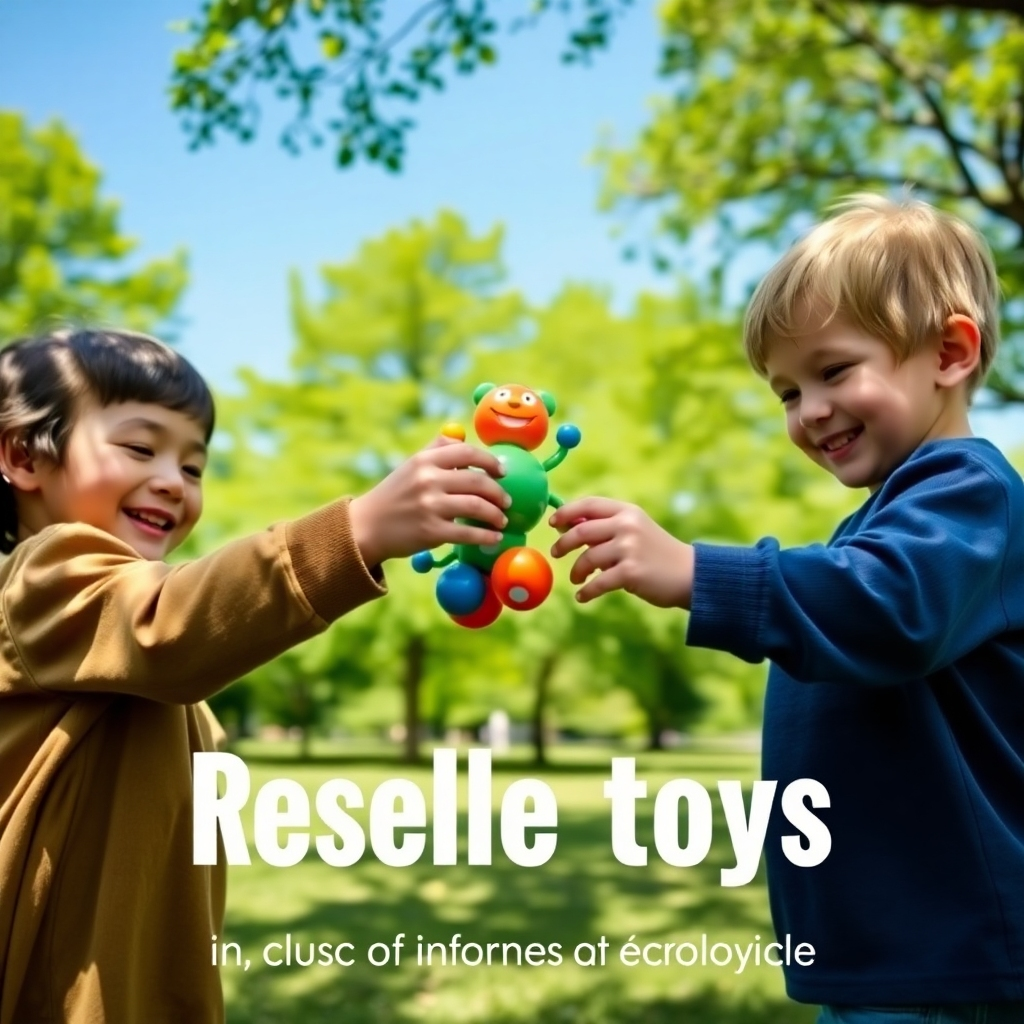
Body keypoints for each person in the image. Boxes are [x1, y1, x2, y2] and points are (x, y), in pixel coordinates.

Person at [550, 194, 1024, 1023]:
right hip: (886, 949)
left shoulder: (969, 494)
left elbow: (888, 609)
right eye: (786, 392)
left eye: (834, 371)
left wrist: (698, 573)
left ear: (950, 353)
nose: (809, 411)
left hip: (957, 958)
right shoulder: (881, 522)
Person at [0, 327, 511, 1024]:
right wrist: (358, 530)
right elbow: (169, 626)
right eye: (140, 448)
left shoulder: (119, 631)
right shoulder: (44, 579)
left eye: (193, 467)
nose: (172, 481)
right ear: (23, 456)